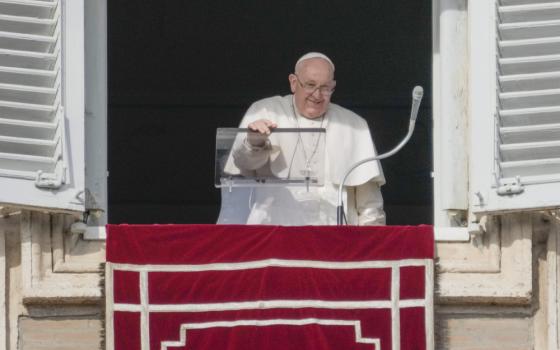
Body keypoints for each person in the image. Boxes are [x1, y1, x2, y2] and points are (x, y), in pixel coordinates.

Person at [218, 52, 385, 226]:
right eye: (310, 85)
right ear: (293, 82)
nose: (317, 95)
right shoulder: (265, 111)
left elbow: (370, 204)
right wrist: (254, 142)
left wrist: (371, 243)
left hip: (334, 242)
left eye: (325, 87)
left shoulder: (353, 125)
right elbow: (242, 166)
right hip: (275, 238)